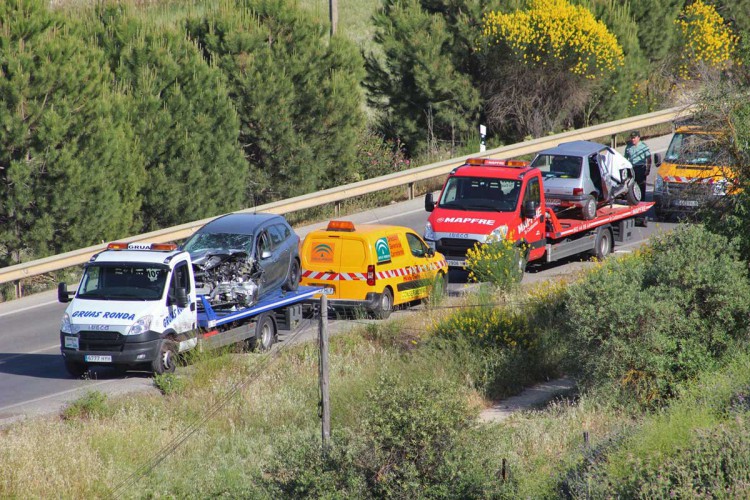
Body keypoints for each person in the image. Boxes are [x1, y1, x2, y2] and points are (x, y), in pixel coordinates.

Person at [624, 130, 651, 201]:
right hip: (632, 168)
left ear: (638, 138)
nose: (633, 140)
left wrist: (648, 169)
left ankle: (642, 201)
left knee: (641, 186)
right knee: (631, 186)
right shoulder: (628, 147)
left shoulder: (643, 146)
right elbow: (625, 159)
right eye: (632, 138)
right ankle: (633, 201)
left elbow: (649, 158)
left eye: (634, 138)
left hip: (640, 168)